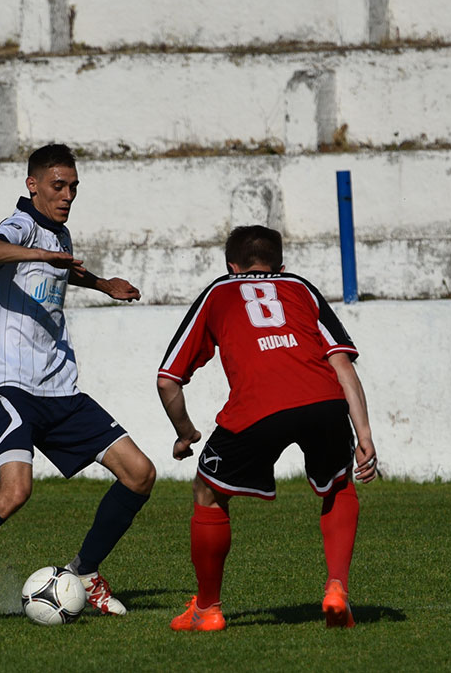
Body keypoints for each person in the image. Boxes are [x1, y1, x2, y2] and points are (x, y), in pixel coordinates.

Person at [0, 143, 156, 626]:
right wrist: (44, 251)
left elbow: (59, 268)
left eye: (73, 187)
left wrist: (103, 284)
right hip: (12, 386)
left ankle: (84, 571)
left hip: (59, 385)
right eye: (58, 186)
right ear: (33, 185)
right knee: (14, 492)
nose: (67, 195)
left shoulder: (59, 233)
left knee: (139, 473)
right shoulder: (21, 224)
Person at [156, 225, 378, 631]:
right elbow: (342, 364)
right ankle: (336, 587)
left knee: (208, 492)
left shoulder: (219, 290)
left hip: (257, 407)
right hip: (323, 400)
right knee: (339, 482)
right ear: (281, 266)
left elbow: (168, 379)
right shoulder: (300, 287)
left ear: (231, 266)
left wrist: (185, 433)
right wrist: (364, 435)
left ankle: (207, 610)